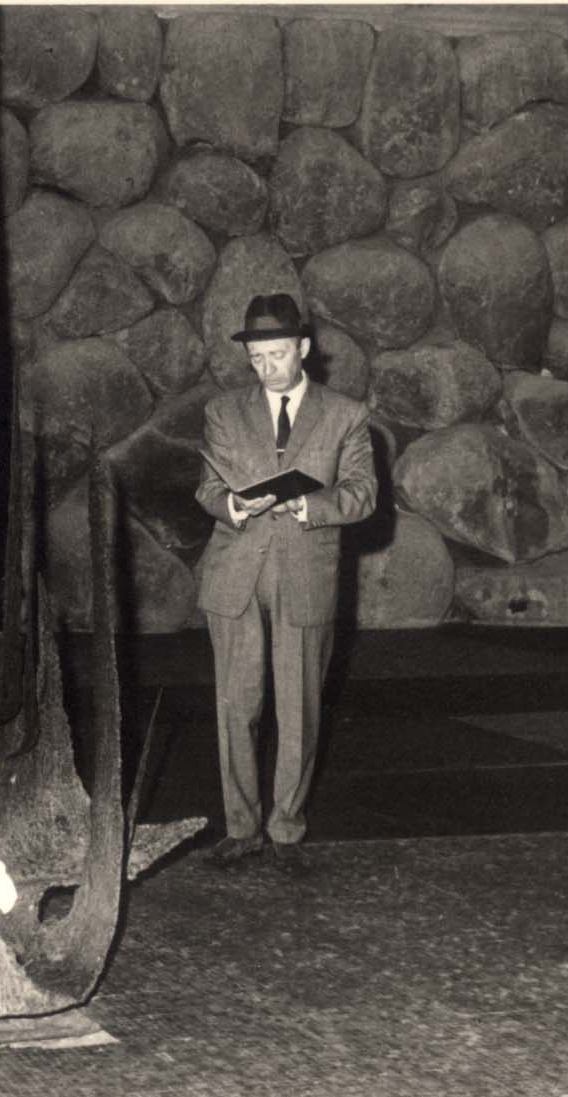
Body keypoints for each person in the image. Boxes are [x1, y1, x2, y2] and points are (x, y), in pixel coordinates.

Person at [194, 293, 376, 875]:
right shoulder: (224, 412)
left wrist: (309, 506)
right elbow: (206, 487)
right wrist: (231, 505)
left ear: (302, 348)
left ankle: (286, 827)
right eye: (257, 359)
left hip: (304, 570)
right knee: (235, 708)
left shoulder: (346, 415)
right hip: (236, 574)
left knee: (299, 710)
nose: (268, 368)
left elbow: (362, 495)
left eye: (277, 354)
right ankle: (241, 827)